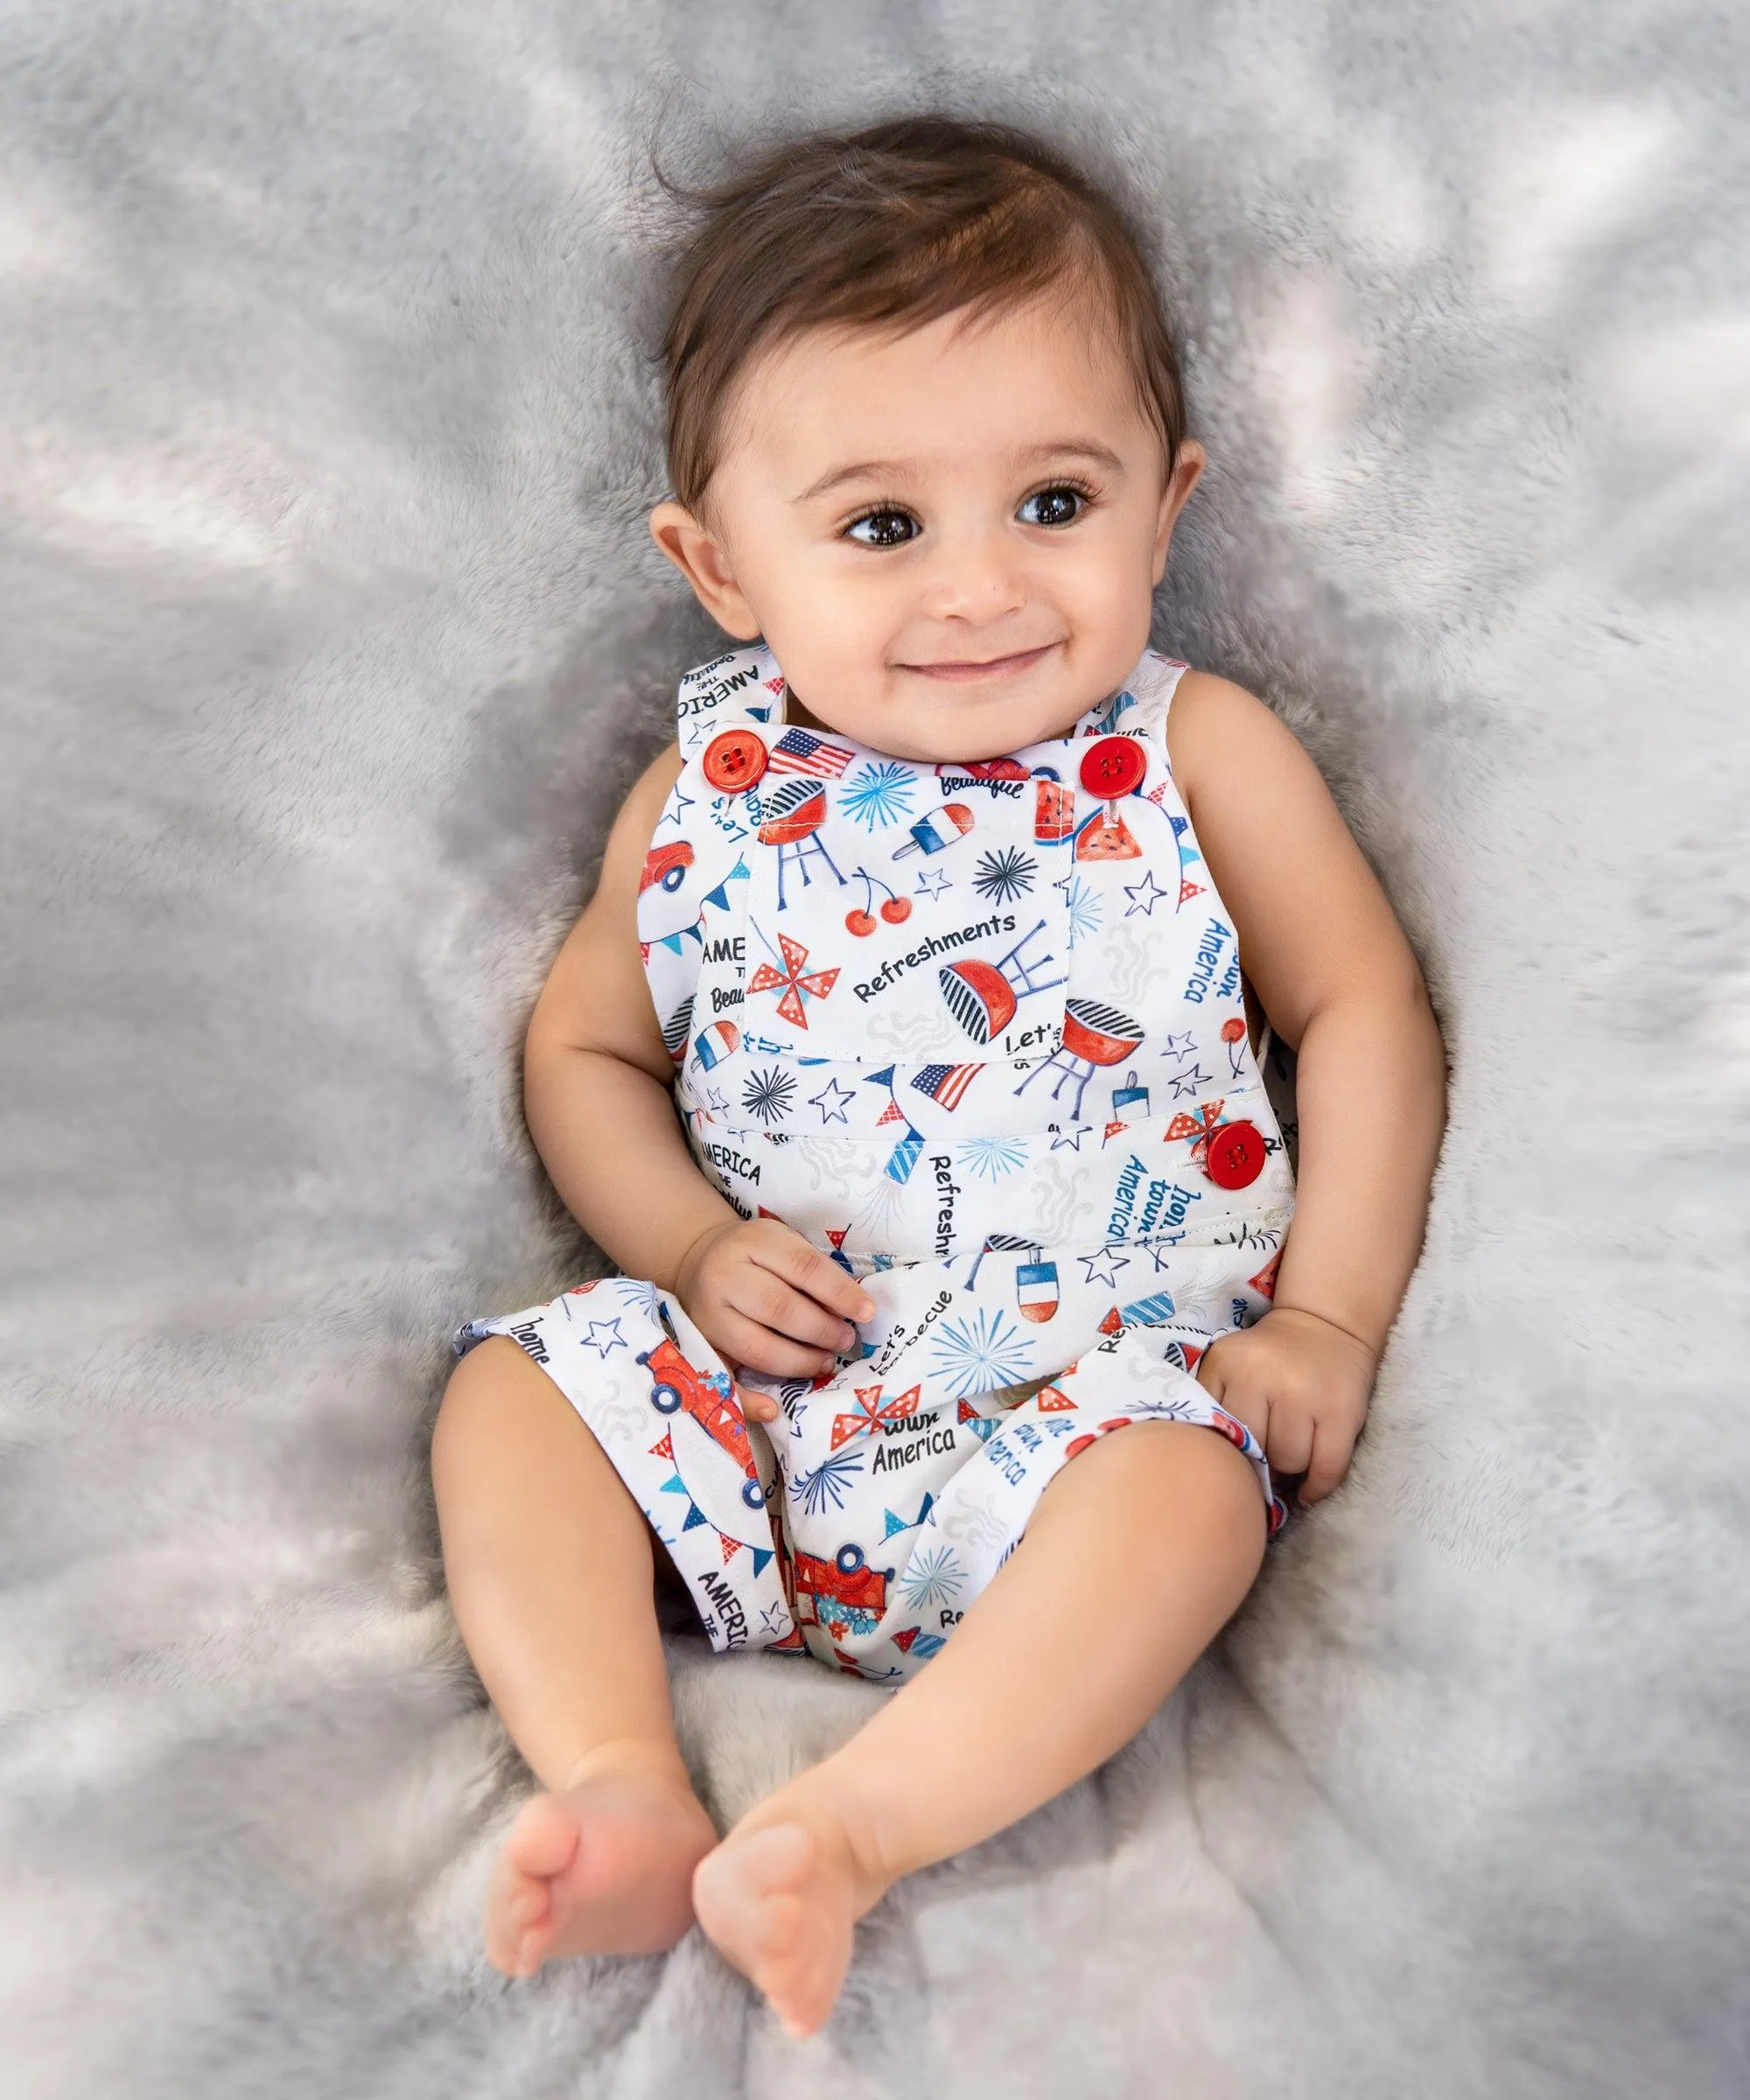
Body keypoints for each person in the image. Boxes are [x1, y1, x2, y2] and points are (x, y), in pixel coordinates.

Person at [431, 116, 1446, 2038]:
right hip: (755, 1406)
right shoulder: (708, 788)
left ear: (1169, 504)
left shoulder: (1192, 751)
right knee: (516, 1391)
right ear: (721, 567)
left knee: (1190, 1496)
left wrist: (1324, 1313)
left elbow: (1362, 1006)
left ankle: (855, 1825)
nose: (981, 588)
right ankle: (621, 1780)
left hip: (1074, 1430)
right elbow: (581, 1046)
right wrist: (686, 1245)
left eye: (1055, 503)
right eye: (882, 527)